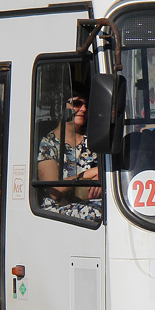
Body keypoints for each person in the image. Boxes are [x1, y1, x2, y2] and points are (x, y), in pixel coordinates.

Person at [37, 87, 101, 221]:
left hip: (94, 202)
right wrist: (92, 173)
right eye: (77, 104)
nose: (83, 109)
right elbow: (56, 191)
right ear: (59, 106)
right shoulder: (48, 144)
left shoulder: (95, 139)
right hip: (58, 210)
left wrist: (102, 179)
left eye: (86, 105)